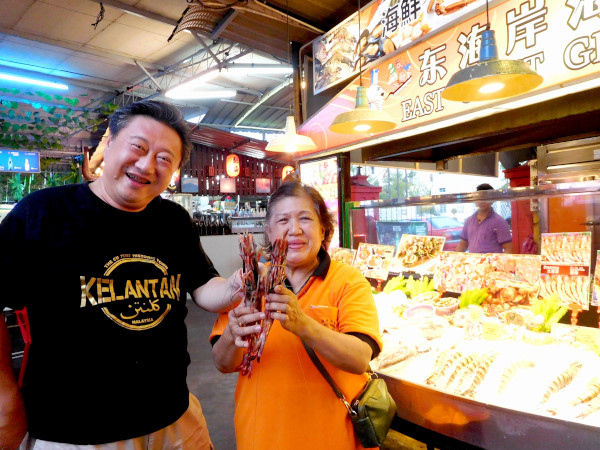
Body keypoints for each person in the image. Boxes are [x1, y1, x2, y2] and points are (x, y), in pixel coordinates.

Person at [0, 100, 243, 449]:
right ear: (110, 142)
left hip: (174, 418)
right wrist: (5, 396)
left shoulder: (173, 220)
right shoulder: (43, 213)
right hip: (75, 431)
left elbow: (203, 284)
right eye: (138, 147)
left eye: (164, 158)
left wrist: (237, 285)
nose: (146, 165)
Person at [210, 181, 383, 450]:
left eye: (305, 219)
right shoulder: (249, 281)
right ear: (269, 230)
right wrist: (232, 334)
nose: (295, 230)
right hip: (261, 439)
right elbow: (223, 363)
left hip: (332, 440)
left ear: (323, 228)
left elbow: (359, 358)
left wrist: (303, 324)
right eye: (283, 220)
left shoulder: (348, 281)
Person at [455, 183, 513, 254]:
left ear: (492, 200)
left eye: (485, 199)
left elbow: (509, 248)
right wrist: (454, 258)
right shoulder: (469, 221)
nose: (481, 202)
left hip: (491, 261)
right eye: (479, 198)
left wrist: (500, 261)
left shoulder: (499, 221)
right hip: (473, 260)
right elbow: (463, 244)